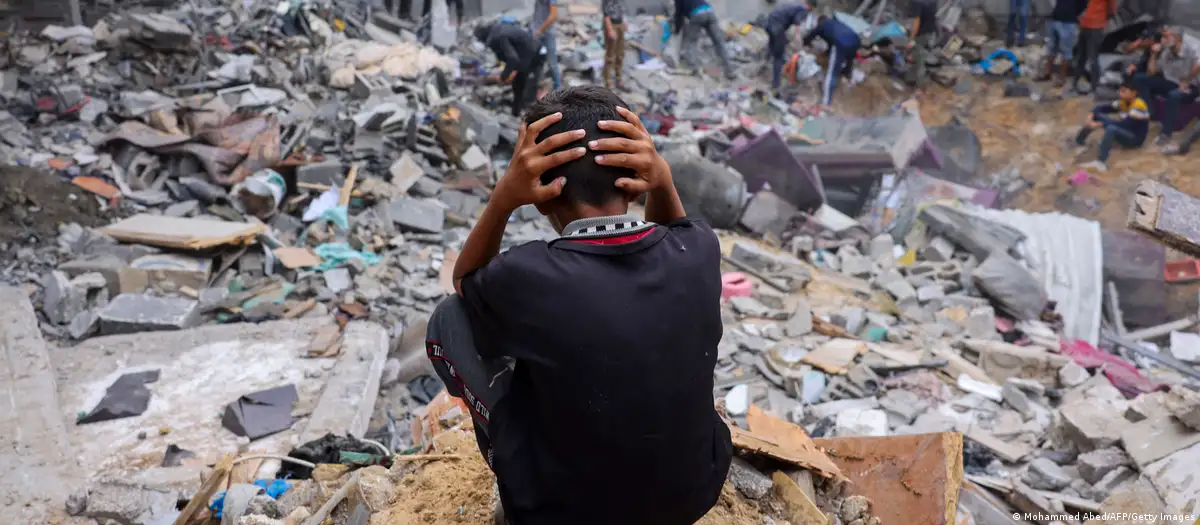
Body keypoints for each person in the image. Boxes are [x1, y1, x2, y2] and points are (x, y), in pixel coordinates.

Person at [425, 85, 732, 525]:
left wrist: (503, 198)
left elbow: (463, 281)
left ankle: (517, 470)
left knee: (449, 319)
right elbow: (673, 233)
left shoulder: (527, 275)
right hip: (690, 495)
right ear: (637, 173)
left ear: (543, 191)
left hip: (561, 511)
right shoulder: (701, 248)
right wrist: (662, 179)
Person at [1132, 28, 1200, 147]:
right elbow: (1151, 72)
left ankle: (1166, 134)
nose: (1162, 40)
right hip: (1171, 82)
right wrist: (1153, 54)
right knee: (1140, 78)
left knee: (1174, 95)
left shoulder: (1191, 49)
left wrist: (1186, 81)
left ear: (1177, 38)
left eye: (1166, 37)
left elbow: (1198, 65)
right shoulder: (1166, 52)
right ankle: (1149, 113)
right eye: (1163, 37)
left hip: (1191, 85)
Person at [1075, 80, 1149, 172]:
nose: (1121, 94)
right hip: (1125, 130)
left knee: (1111, 129)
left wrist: (1100, 124)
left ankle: (1100, 162)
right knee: (1098, 116)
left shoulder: (1139, 105)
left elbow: (1125, 124)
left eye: (1124, 91)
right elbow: (1101, 108)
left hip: (1134, 138)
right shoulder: (1123, 102)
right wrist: (1091, 116)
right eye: (1120, 91)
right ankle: (1079, 141)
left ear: (1134, 93)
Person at [475, 23, 546, 117]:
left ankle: (531, 118)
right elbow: (508, 54)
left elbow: (513, 58)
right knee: (518, 86)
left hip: (535, 55)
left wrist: (503, 76)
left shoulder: (498, 37)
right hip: (524, 56)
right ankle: (515, 114)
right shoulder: (497, 29)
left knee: (528, 90)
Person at [803, 14, 862, 106]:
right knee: (849, 62)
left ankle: (826, 102)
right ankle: (847, 74)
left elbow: (810, 35)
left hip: (841, 43)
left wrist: (805, 42)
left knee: (832, 72)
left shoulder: (822, 25)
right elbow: (831, 43)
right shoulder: (836, 23)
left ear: (820, 21)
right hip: (856, 41)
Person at [674, 0, 736, 80]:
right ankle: (730, 70)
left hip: (697, 14)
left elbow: (678, 14)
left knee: (691, 42)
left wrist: (676, 30)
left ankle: (694, 68)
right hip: (709, 11)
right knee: (719, 42)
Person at [764, 2, 810, 93]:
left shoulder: (794, 5)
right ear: (811, 7)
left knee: (773, 44)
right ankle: (775, 85)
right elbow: (797, 20)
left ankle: (764, 63)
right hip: (777, 26)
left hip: (769, 23)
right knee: (779, 57)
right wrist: (798, 35)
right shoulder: (804, 10)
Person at [1039, 0, 1085, 87]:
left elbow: (1082, 7)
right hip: (1055, 19)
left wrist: (1074, 16)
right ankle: (1048, 73)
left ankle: (1061, 78)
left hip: (1068, 22)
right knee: (1051, 48)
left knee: (1066, 51)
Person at [1074, 0, 1116, 93]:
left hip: (1095, 26)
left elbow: (1112, 10)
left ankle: (1093, 88)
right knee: (1082, 56)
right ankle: (1076, 84)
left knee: (1091, 58)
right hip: (1086, 24)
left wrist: (1101, 18)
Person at [905, 0, 938, 91]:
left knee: (919, 59)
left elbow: (917, 21)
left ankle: (919, 87)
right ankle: (911, 80)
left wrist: (911, 38)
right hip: (930, 33)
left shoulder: (916, 2)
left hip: (921, 34)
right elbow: (934, 17)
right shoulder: (933, 2)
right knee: (918, 55)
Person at [531, 0, 562, 89]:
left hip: (547, 34)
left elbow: (554, 16)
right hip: (536, 33)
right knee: (536, 62)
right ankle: (536, 87)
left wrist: (540, 30)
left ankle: (558, 89)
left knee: (552, 64)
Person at [602, 0, 627, 90]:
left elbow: (620, 8)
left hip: (620, 23)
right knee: (610, 55)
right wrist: (609, 29)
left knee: (620, 54)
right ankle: (608, 83)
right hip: (612, 24)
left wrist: (623, 22)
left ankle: (618, 79)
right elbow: (606, 13)